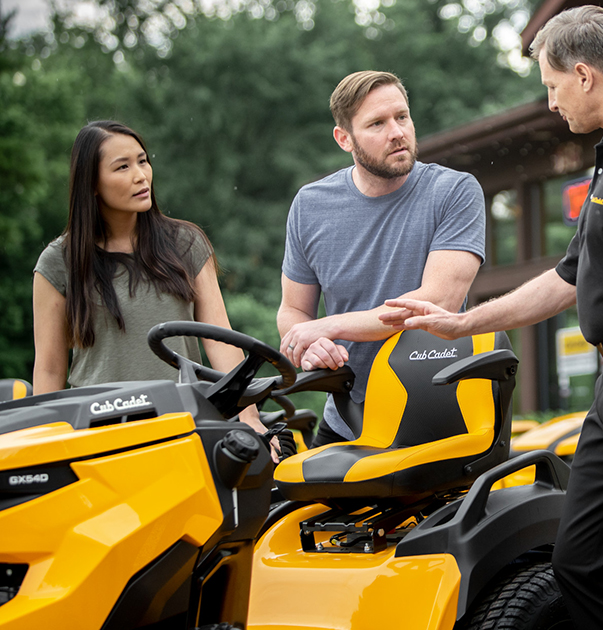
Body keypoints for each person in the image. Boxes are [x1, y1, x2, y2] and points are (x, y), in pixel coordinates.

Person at [380, 7, 603, 629]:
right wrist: (462, 323)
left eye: (550, 87)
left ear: (582, 75)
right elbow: (567, 278)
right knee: (582, 562)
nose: (550, 103)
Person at [33, 120, 284, 459]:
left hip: (184, 426)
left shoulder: (186, 243)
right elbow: (49, 369)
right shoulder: (58, 262)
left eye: (143, 160)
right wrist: (41, 444)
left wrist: (248, 419)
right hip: (97, 437)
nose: (141, 175)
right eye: (122, 167)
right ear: (92, 183)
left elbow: (220, 340)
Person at [277, 71, 485, 446]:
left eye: (402, 117)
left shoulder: (454, 191)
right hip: (345, 417)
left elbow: (436, 304)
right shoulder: (309, 206)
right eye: (377, 123)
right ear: (344, 139)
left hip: (435, 407)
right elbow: (293, 311)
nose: (397, 132)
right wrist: (309, 344)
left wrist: (329, 326)